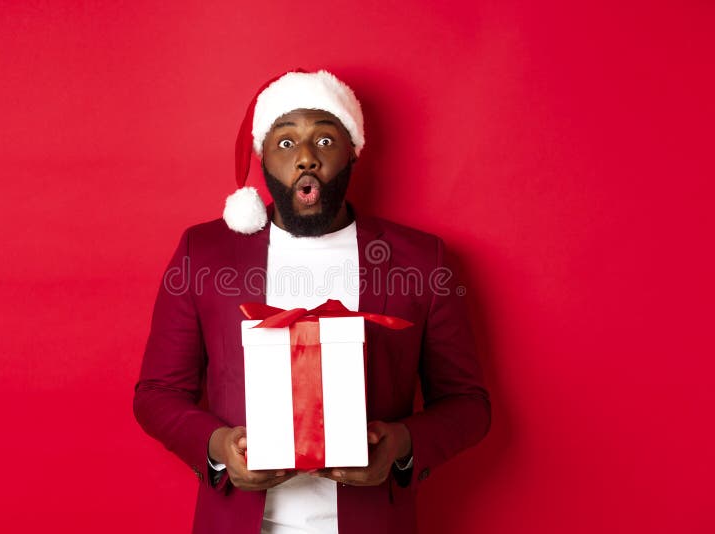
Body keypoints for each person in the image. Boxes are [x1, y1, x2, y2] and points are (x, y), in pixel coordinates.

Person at [133, 69, 491, 534]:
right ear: (262, 155)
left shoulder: (422, 260)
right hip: (239, 521)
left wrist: (400, 444)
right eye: (286, 142)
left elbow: (468, 404)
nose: (305, 158)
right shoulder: (203, 253)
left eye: (324, 140)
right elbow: (156, 394)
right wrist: (219, 446)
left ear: (352, 152)